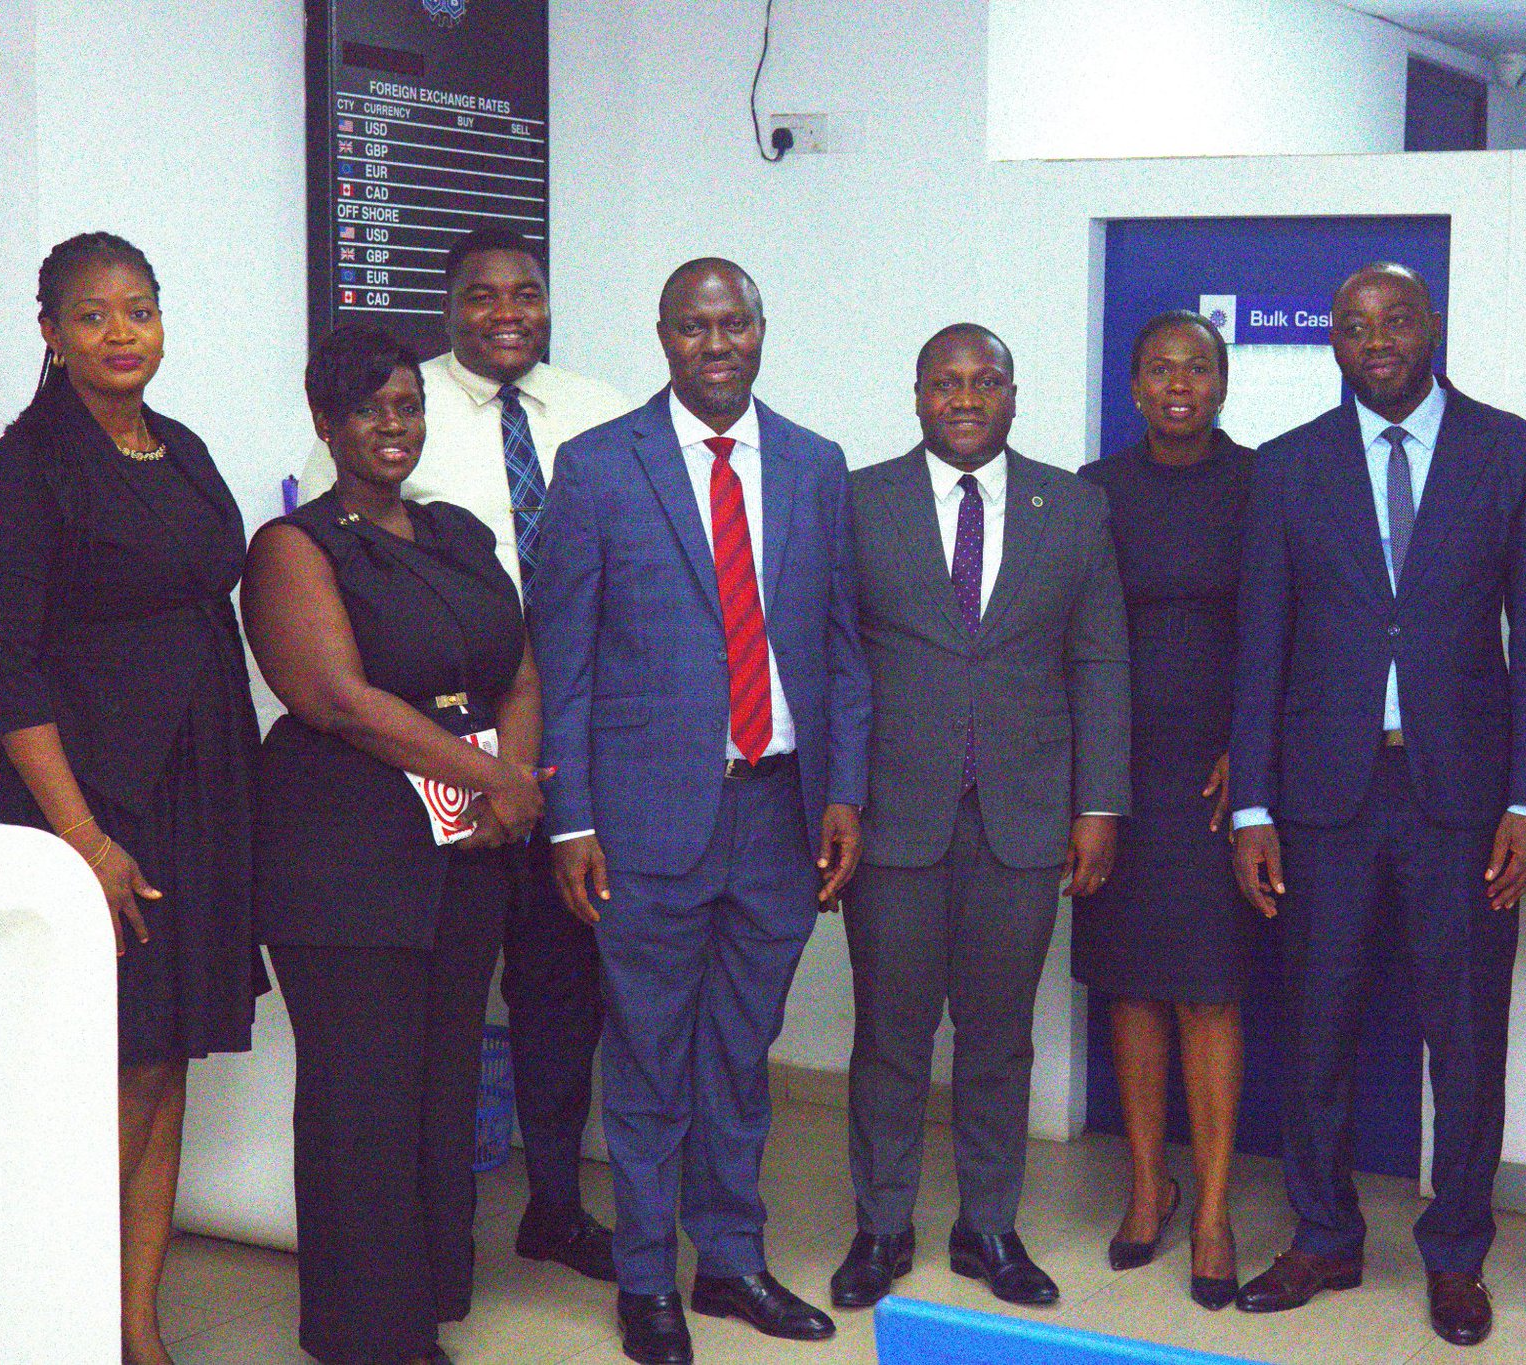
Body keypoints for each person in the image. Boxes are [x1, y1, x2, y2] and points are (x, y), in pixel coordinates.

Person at [532, 258, 869, 1365]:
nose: (716, 345)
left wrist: (844, 794)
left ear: (761, 330)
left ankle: (728, 1262)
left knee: (738, 1054)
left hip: (779, 815)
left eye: (734, 324)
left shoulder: (816, 465)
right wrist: (570, 820)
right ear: (663, 336)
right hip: (644, 824)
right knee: (646, 1060)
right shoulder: (597, 466)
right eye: (692, 326)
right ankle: (646, 1282)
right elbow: (563, 662)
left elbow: (842, 651)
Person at [1227, 263, 1526, 1346]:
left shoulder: (1515, 454)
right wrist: (1250, 807)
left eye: (1396, 319)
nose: (1376, 339)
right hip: (1322, 797)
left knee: (1464, 1039)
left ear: (1432, 328)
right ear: (1333, 340)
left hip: (1465, 802)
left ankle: (1456, 1253)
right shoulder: (1286, 466)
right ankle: (1324, 1235)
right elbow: (1261, 644)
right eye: (1355, 324)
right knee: (1313, 1030)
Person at [0, 231, 261, 1365]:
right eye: (91, 315)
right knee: (101, 1069)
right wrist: (81, 837)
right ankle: (57, 1319)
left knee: (161, 1058)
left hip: (187, 790)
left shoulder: (178, 447)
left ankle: (136, 1322)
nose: (120, 332)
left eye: (139, 309)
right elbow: (5, 674)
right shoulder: (22, 471)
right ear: (50, 333)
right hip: (78, 805)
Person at [298, 226, 630, 1281]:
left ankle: (553, 1204)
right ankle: (421, 1245)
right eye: (481, 295)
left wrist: (523, 770)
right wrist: (485, 774)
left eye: (525, 293)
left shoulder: (600, 410)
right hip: (420, 764)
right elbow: (330, 602)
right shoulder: (399, 408)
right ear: (447, 307)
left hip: (563, 728)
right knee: (432, 1015)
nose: (505, 313)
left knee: (559, 981)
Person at [246, 324, 546, 1365]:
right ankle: (366, 1336)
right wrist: (493, 779)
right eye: (368, 407)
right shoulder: (293, 547)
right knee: (359, 1102)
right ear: (325, 422)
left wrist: (511, 781)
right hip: (344, 859)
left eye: (408, 405)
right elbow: (337, 698)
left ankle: (425, 1300)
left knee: (440, 1087)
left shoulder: (456, 531)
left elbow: (517, 667)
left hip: (463, 854)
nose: (393, 425)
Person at [833, 323, 1130, 1312]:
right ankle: (881, 1226)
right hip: (892, 816)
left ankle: (989, 1227)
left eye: (984, 381)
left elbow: (1098, 659)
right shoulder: (858, 502)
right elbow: (831, 657)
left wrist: (1098, 803)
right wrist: (833, 797)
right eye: (944, 383)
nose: (964, 399)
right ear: (917, 395)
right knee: (889, 1035)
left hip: (1025, 816)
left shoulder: (1072, 507)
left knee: (999, 1037)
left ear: (1012, 393)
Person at [1071, 310, 1255, 1310]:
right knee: (1131, 985)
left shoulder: (1262, 483)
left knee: (1209, 992)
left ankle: (1215, 1210)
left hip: (1216, 779)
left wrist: (1251, 746)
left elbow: (1287, 626)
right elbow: (1069, 631)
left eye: (1196, 367)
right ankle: (1149, 1186)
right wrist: (1084, 775)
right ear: (1135, 385)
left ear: (1221, 382)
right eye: (1159, 368)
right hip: (1118, 774)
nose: (1178, 383)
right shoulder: (1093, 490)